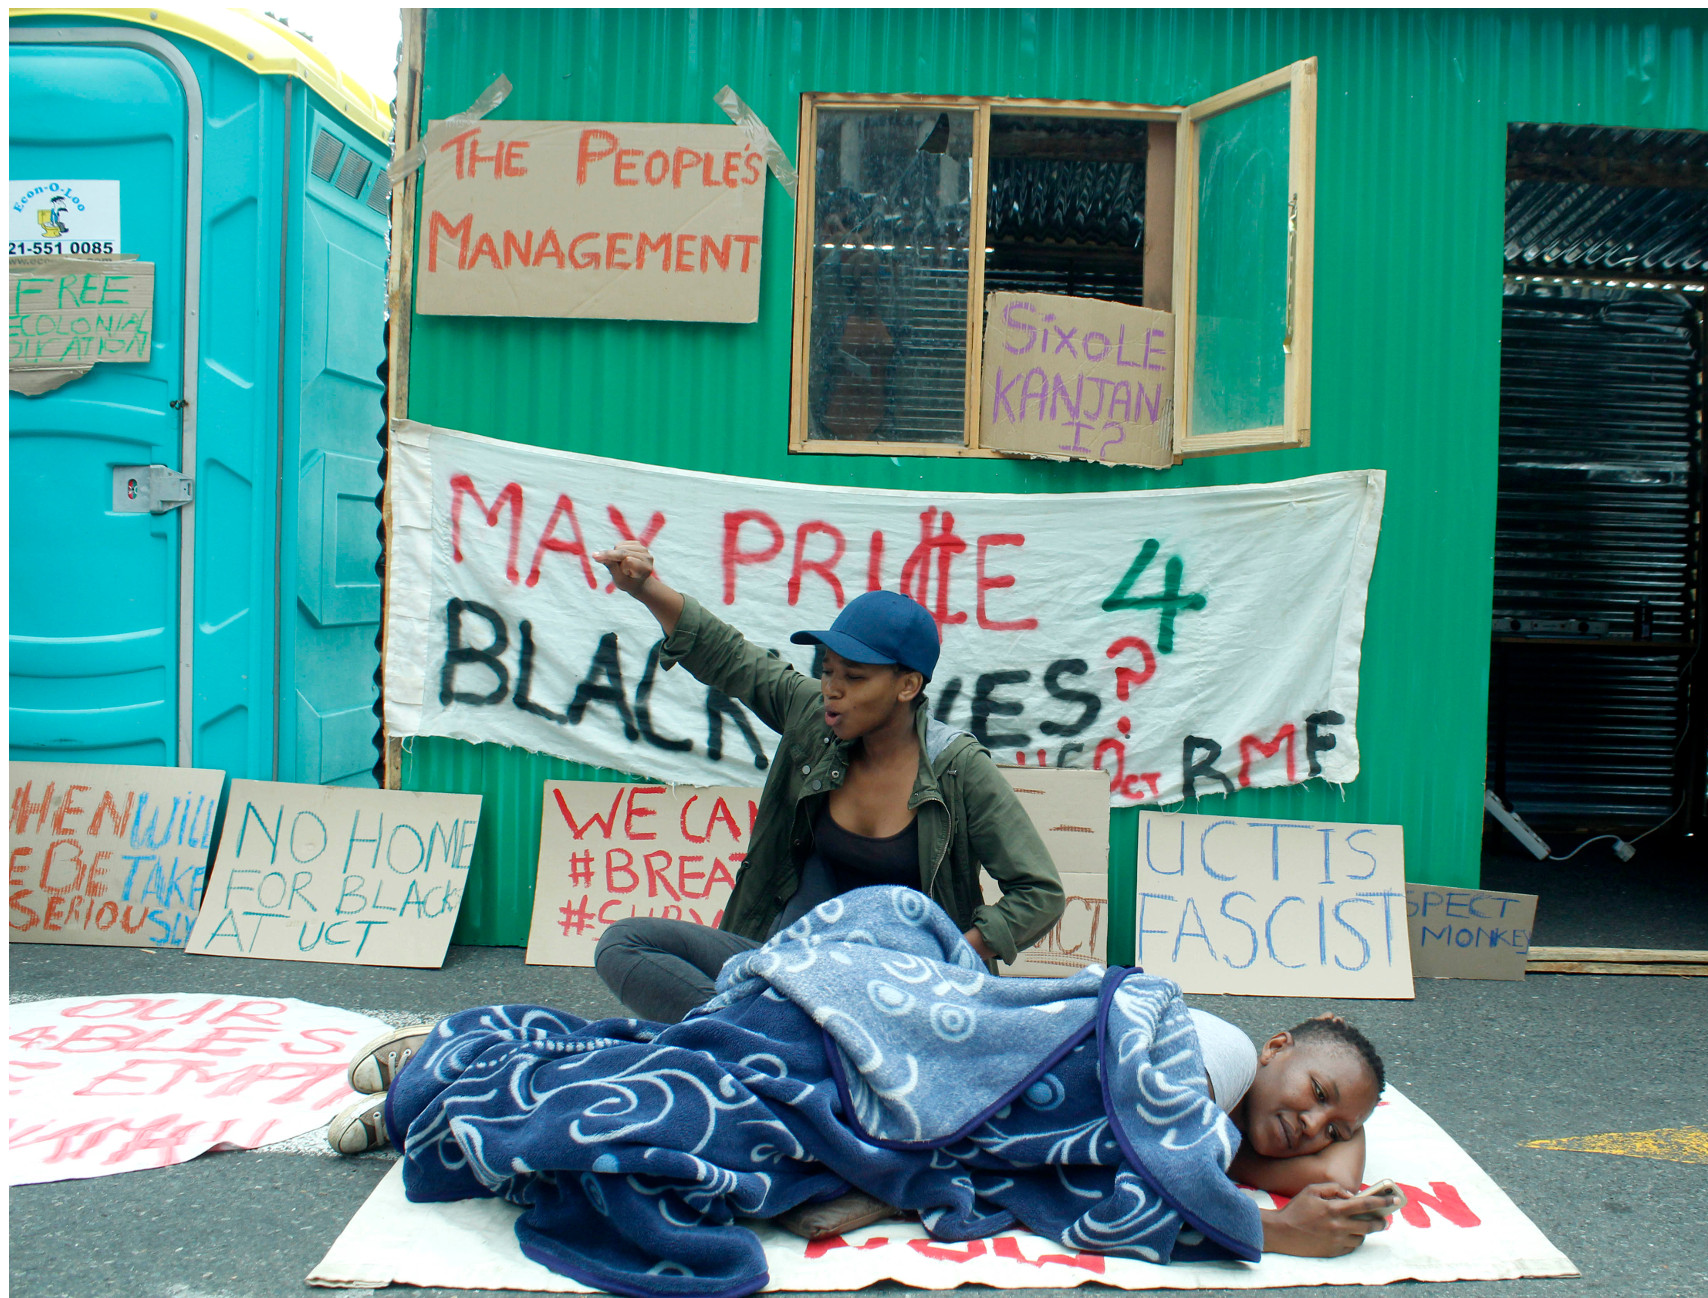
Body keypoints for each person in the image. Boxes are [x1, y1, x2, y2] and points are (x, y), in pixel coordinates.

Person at [321, 887, 1402, 1296]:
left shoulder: (1225, 1121)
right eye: (1314, 1088)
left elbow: (1270, 1165)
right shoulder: (1197, 1048)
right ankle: (448, 1069)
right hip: (874, 1001)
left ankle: (450, 1064)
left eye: (1335, 1123)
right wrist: (1275, 1235)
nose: (1315, 1123)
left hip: (874, 1002)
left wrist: (1311, 1169)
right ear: (1269, 1044)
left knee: (698, 1099)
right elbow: (1172, 1167)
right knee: (696, 1061)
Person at [586, 541, 1065, 1022]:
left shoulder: (958, 767)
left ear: (907, 686)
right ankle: (775, 1035)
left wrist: (952, 957)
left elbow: (1039, 894)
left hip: (903, 998)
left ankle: (759, 1037)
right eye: (828, 671)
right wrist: (645, 588)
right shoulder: (813, 718)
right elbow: (729, 656)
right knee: (623, 944)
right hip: (793, 969)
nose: (832, 690)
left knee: (783, 1020)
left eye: (854, 677)